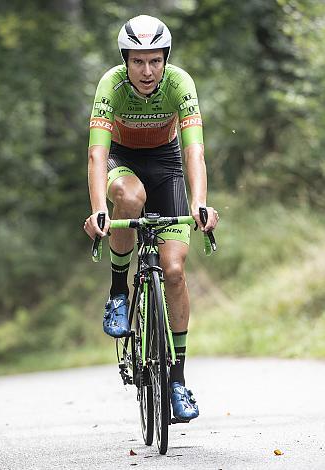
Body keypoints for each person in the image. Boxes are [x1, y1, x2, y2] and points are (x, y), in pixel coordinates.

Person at [84, 14, 219, 421]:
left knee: (174, 269)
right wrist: (99, 210)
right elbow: (97, 154)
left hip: (168, 163)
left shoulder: (181, 84)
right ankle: (118, 293)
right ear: (125, 60)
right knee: (131, 195)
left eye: (155, 61)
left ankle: (176, 380)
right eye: (138, 61)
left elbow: (194, 150)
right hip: (123, 162)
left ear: (166, 60)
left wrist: (200, 203)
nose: (147, 71)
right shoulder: (111, 85)